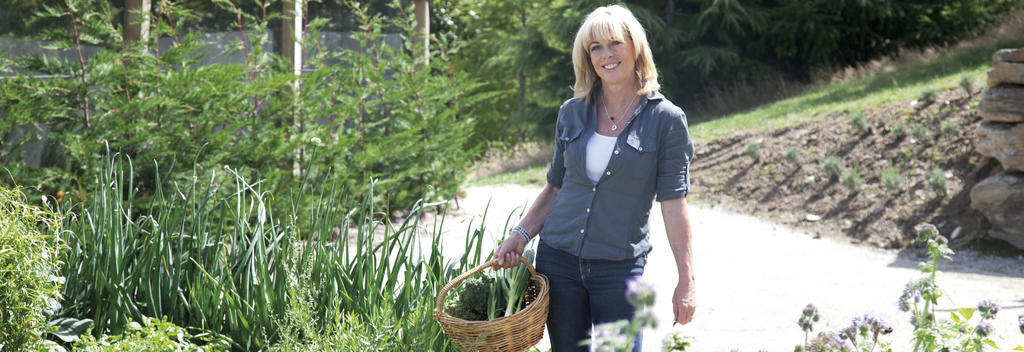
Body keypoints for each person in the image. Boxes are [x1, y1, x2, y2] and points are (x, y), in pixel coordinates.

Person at [493, 4, 696, 352]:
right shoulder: (571, 113)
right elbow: (555, 187)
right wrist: (520, 235)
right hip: (558, 261)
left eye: (614, 43)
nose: (606, 55)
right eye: (595, 48)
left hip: (619, 269)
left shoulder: (667, 119)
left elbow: (674, 205)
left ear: (636, 47)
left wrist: (687, 280)